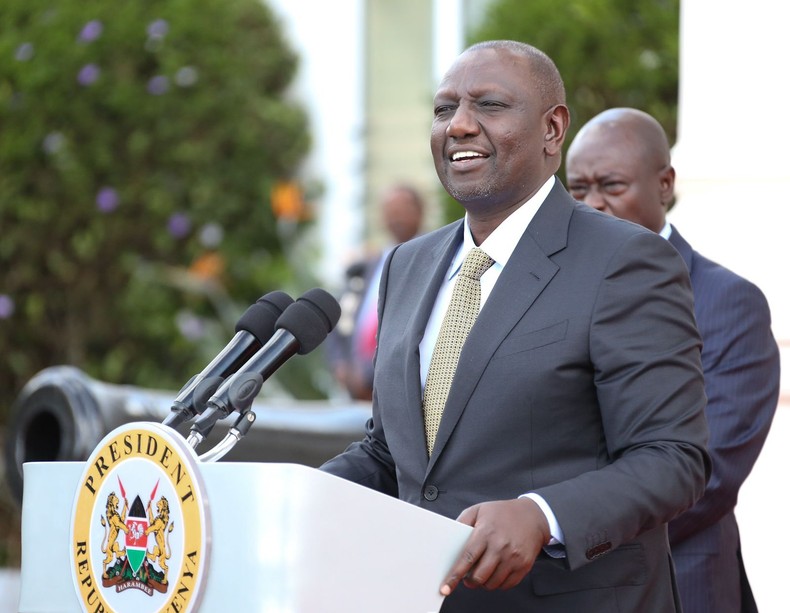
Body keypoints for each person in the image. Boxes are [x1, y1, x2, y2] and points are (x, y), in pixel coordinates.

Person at [321, 40, 710, 611]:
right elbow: (393, 452)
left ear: (553, 130)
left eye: (490, 105)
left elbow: (672, 457)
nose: (459, 126)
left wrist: (542, 515)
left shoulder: (625, 260)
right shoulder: (407, 265)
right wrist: (305, 493)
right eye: (444, 109)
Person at [565, 107, 781, 613]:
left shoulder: (727, 301)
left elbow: (710, 474)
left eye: (611, 186)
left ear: (664, 184)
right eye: (577, 190)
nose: (592, 205)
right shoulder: (557, 295)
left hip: (678, 584)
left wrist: (561, 533)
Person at [327, 183, 425, 400]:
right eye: (390, 212)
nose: (395, 218)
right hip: (356, 393)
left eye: (402, 211)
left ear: (419, 213)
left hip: (403, 392)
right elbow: (340, 317)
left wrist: (368, 375)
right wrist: (341, 366)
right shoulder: (370, 266)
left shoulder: (433, 262)